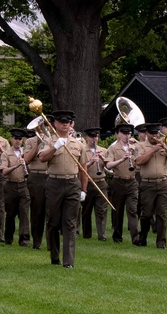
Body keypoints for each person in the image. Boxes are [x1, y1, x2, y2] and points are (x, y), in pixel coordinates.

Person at [37, 110, 89, 269]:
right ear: (55, 123)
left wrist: (84, 190)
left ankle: (68, 261)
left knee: (70, 223)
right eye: (61, 121)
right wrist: (55, 147)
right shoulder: (48, 140)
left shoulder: (78, 144)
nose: (65, 124)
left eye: (68, 121)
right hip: (54, 183)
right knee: (53, 221)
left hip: (72, 184)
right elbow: (42, 158)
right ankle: (54, 255)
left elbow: (84, 168)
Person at [134, 122, 167, 249]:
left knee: (162, 214)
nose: (154, 136)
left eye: (156, 133)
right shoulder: (140, 146)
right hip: (147, 184)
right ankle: (142, 238)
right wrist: (153, 149)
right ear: (147, 134)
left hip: (163, 183)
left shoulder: (164, 145)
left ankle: (161, 242)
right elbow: (140, 161)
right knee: (146, 214)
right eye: (152, 133)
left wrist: (165, 148)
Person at [105, 122, 140, 245]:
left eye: (129, 133)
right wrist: (122, 159)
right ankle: (117, 236)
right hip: (118, 181)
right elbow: (108, 164)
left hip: (131, 181)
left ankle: (135, 238)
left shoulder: (135, 147)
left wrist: (134, 154)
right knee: (117, 211)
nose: (127, 136)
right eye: (124, 133)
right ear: (118, 134)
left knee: (132, 210)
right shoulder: (113, 148)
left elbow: (140, 163)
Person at [1, 127, 31, 246]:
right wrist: (15, 165)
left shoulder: (25, 153)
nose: (17, 141)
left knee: (24, 213)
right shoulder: (6, 153)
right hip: (10, 185)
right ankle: (8, 238)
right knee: (10, 214)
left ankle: (24, 239)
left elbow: (31, 169)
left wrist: (25, 164)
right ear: (11, 139)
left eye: (20, 139)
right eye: (15, 138)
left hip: (23, 185)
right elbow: (3, 171)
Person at [80, 127, 109, 241]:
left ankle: (101, 234)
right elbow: (80, 167)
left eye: (96, 137)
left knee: (101, 209)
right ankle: (87, 234)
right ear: (87, 138)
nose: (94, 139)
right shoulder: (82, 150)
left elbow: (109, 168)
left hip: (101, 182)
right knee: (86, 210)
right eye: (91, 137)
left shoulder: (104, 150)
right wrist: (91, 162)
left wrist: (103, 159)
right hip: (88, 182)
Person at [23, 128, 48, 250]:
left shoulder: (53, 140)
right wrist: (38, 143)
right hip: (36, 176)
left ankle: (51, 242)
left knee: (52, 212)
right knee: (37, 211)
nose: (43, 129)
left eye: (44, 126)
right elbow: (26, 159)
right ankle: (36, 241)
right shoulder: (30, 141)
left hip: (51, 175)